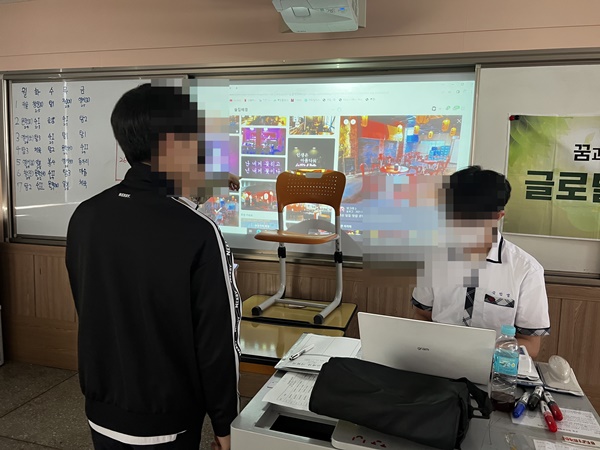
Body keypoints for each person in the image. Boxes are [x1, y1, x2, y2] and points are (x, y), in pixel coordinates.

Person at [66, 83, 241, 450]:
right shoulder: (198, 232)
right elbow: (216, 344)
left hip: (101, 409)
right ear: (175, 143)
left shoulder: (85, 216)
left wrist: (204, 181)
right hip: (168, 418)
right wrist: (225, 426)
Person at [411, 166, 550, 359]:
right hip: (436, 361)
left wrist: (477, 352)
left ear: (498, 216)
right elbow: (422, 315)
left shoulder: (526, 270)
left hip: (494, 367)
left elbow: (531, 345)